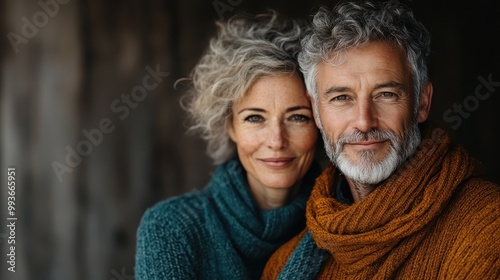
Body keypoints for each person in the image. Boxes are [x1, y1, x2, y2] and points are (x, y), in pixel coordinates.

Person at [262, 1, 500, 279]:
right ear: (316, 111)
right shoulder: (284, 263)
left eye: (386, 94)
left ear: (422, 103)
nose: (364, 122)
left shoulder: (488, 227)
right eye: (341, 98)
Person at [135, 10, 323, 279]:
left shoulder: (345, 223)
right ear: (229, 126)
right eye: (255, 118)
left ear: (320, 124)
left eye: (297, 117)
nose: (276, 141)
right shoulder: (171, 226)